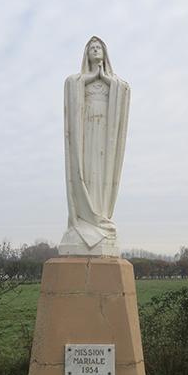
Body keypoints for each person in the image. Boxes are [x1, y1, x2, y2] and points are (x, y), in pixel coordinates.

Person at [59, 36, 130, 256]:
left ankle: (100, 218)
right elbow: (70, 87)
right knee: (86, 172)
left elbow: (125, 91)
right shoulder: (77, 80)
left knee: (101, 177)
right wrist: (89, 78)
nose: (96, 50)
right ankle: (83, 220)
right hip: (86, 135)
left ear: (105, 53)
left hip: (104, 139)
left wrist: (106, 80)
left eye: (99, 47)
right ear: (87, 54)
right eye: (92, 48)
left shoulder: (115, 83)